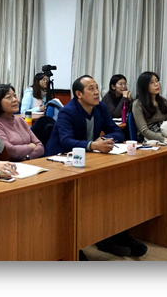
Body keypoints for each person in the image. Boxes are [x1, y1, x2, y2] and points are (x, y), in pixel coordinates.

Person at [45, 75, 146, 259]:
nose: (97, 92)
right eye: (91, 89)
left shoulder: (100, 108)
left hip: (88, 160)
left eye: (97, 87)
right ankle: (76, 246)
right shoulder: (68, 111)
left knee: (111, 192)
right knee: (83, 199)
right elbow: (66, 141)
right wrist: (92, 145)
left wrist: (105, 140)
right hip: (60, 162)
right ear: (79, 94)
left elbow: (117, 131)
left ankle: (116, 236)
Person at [0, 84, 44, 161]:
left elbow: (40, 146)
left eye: (15, 96)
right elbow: (10, 151)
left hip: (29, 163)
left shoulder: (20, 120)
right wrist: (30, 147)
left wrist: (27, 157)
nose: (15, 100)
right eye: (9, 97)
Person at [132, 71, 167, 145]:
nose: (156, 84)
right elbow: (144, 131)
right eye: (151, 82)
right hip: (149, 138)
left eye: (157, 81)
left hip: (166, 134)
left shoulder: (163, 101)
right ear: (144, 86)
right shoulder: (137, 104)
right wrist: (164, 139)